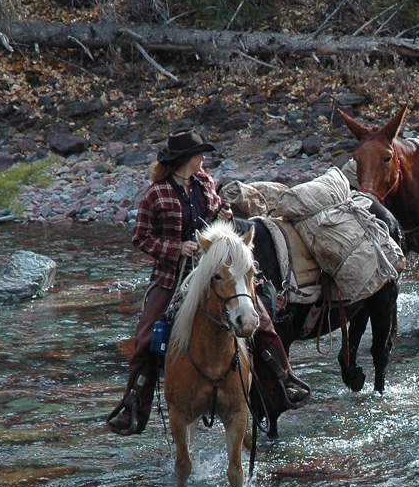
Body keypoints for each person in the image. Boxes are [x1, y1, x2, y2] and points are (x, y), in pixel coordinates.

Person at [106, 129, 303, 435]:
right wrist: (175, 248)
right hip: (173, 276)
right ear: (185, 159)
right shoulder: (155, 194)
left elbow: (211, 219)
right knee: (146, 338)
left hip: (214, 269)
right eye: (199, 155)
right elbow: (141, 238)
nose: (203, 160)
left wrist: (221, 214)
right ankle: (133, 404)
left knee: (261, 319)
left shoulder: (206, 183)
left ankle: (284, 378)